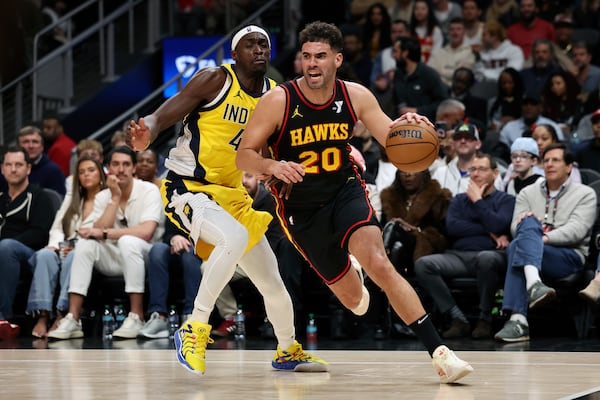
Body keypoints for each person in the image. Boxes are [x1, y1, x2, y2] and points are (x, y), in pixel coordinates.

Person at [236, 21, 473, 383]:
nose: (312, 64)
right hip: (300, 209)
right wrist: (272, 165)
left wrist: (407, 127)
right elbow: (244, 156)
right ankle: (351, 269)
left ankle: (441, 354)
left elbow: (390, 137)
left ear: (338, 59)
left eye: (321, 56)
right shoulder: (279, 100)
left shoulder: (356, 96)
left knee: (380, 263)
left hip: (344, 190)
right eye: (306, 57)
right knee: (354, 302)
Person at [128, 25, 328, 374]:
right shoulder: (215, 79)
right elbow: (164, 113)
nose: (259, 50)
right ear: (234, 54)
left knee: (272, 282)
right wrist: (147, 130)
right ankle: (195, 327)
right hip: (188, 186)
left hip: (232, 194)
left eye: (263, 44)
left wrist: (278, 170)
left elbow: (265, 150)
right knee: (233, 239)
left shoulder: (273, 96)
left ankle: (287, 349)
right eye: (250, 45)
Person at [48, 146, 163, 340]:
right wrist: (115, 198)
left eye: (126, 164)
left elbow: (146, 232)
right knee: (85, 244)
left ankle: (137, 316)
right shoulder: (104, 196)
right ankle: (73, 318)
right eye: (116, 164)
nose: (121, 169)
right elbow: (96, 232)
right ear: (108, 168)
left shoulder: (149, 190)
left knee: (128, 241)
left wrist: (106, 233)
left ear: (134, 168)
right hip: (113, 258)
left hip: (145, 256)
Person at [494, 143, 597, 342]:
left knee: (520, 244)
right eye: (546, 160)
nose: (549, 164)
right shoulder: (527, 192)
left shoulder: (585, 193)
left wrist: (540, 238)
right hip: (531, 250)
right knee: (526, 227)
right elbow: (515, 227)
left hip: (568, 255)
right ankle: (534, 285)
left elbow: (577, 230)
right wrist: (531, 232)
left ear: (569, 167)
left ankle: (518, 321)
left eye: (556, 160)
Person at [415, 152, 515, 339]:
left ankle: (485, 319)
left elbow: (500, 224)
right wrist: (489, 231)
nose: (475, 174)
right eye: (473, 169)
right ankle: (457, 317)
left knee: (487, 258)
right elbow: (453, 228)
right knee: (423, 264)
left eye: (482, 169)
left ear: (495, 173)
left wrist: (478, 201)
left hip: (492, 254)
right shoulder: (459, 200)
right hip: (459, 256)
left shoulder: (506, 200)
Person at [27, 156, 106, 338]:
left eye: (91, 170)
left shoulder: (108, 198)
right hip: (65, 246)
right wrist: (54, 246)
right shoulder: (72, 200)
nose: (86, 175)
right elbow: (57, 227)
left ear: (100, 175)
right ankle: (42, 315)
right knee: (44, 255)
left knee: (75, 255)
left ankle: (63, 314)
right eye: (82, 171)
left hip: (91, 251)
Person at [0, 146, 55, 339]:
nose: (13, 169)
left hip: (31, 256)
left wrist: (7, 243)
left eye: (18, 165)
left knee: (6, 247)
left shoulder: (40, 197)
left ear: (28, 169)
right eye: (9, 165)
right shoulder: (1, 196)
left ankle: (2, 318)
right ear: (2, 168)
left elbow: (40, 234)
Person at [137, 218, 202, 339]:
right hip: (175, 250)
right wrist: (174, 238)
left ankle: (192, 317)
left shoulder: (213, 202)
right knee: (157, 250)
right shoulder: (178, 201)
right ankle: (159, 317)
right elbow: (168, 234)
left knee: (190, 254)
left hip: (200, 250)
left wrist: (189, 241)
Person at [433, 122, 503, 196]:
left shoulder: (490, 174)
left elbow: (497, 203)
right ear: (453, 144)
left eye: (468, 138)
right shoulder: (440, 173)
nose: (463, 141)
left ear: (478, 144)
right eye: (458, 138)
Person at [0, 126, 66, 196]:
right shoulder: (6, 169)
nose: (31, 146)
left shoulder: (53, 171)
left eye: (35, 142)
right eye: (26, 142)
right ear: (18, 146)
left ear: (42, 146)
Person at [427, 17, 475, 87]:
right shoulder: (440, 51)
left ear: (464, 32)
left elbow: (460, 76)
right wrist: (451, 71)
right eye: (452, 29)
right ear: (448, 32)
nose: (455, 32)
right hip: (437, 88)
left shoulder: (469, 53)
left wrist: (440, 71)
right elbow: (430, 71)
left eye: (458, 29)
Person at [41, 111, 76, 177]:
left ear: (60, 128)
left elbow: (55, 174)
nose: (44, 131)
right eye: (43, 128)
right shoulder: (67, 141)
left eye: (48, 128)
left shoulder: (58, 148)